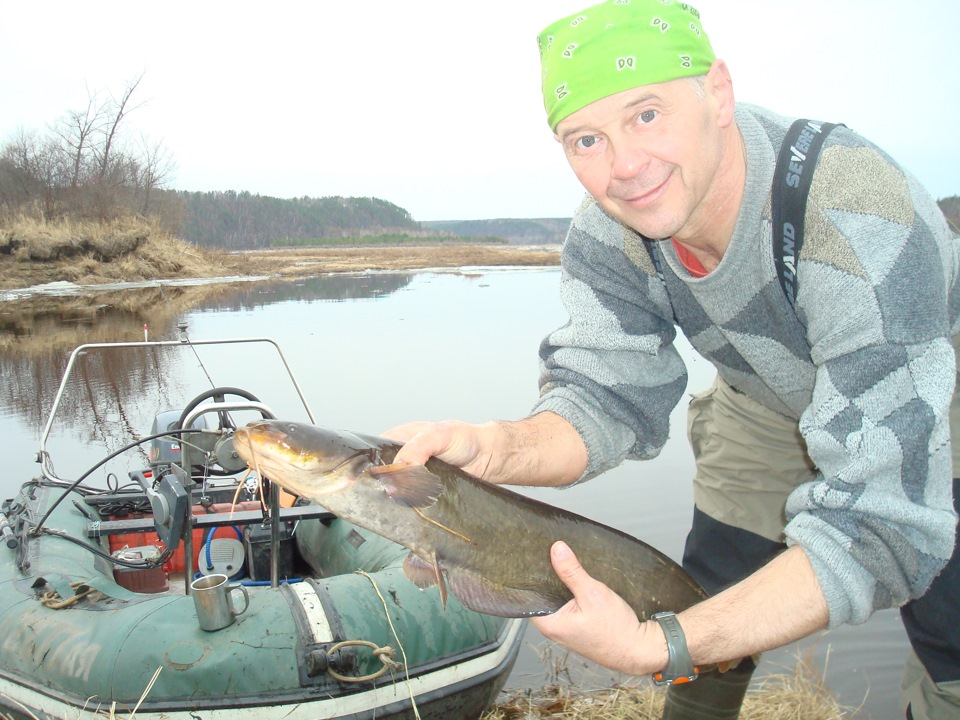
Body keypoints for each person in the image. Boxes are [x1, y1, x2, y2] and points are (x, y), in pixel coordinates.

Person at [385, 1, 960, 718]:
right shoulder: (612, 230)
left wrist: (660, 646)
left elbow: (882, 528)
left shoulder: (856, 215)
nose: (624, 166)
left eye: (647, 115)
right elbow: (605, 397)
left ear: (717, 92)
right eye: (585, 139)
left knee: (948, 627)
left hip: (928, 394)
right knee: (708, 594)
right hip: (765, 396)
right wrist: (493, 447)